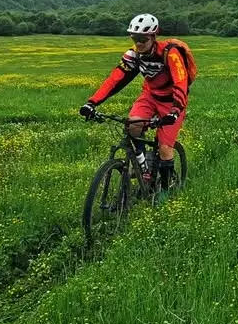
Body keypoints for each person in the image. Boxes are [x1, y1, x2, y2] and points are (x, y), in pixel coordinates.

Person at [79, 13, 189, 191]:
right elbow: (114, 79)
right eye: (134, 38)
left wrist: (175, 110)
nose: (138, 44)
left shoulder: (170, 53)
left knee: (165, 148)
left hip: (172, 102)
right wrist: (92, 103)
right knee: (133, 125)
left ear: (154, 36)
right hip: (150, 96)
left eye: (142, 39)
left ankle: (165, 192)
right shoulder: (133, 55)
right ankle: (143, 165)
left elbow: (181, 81)